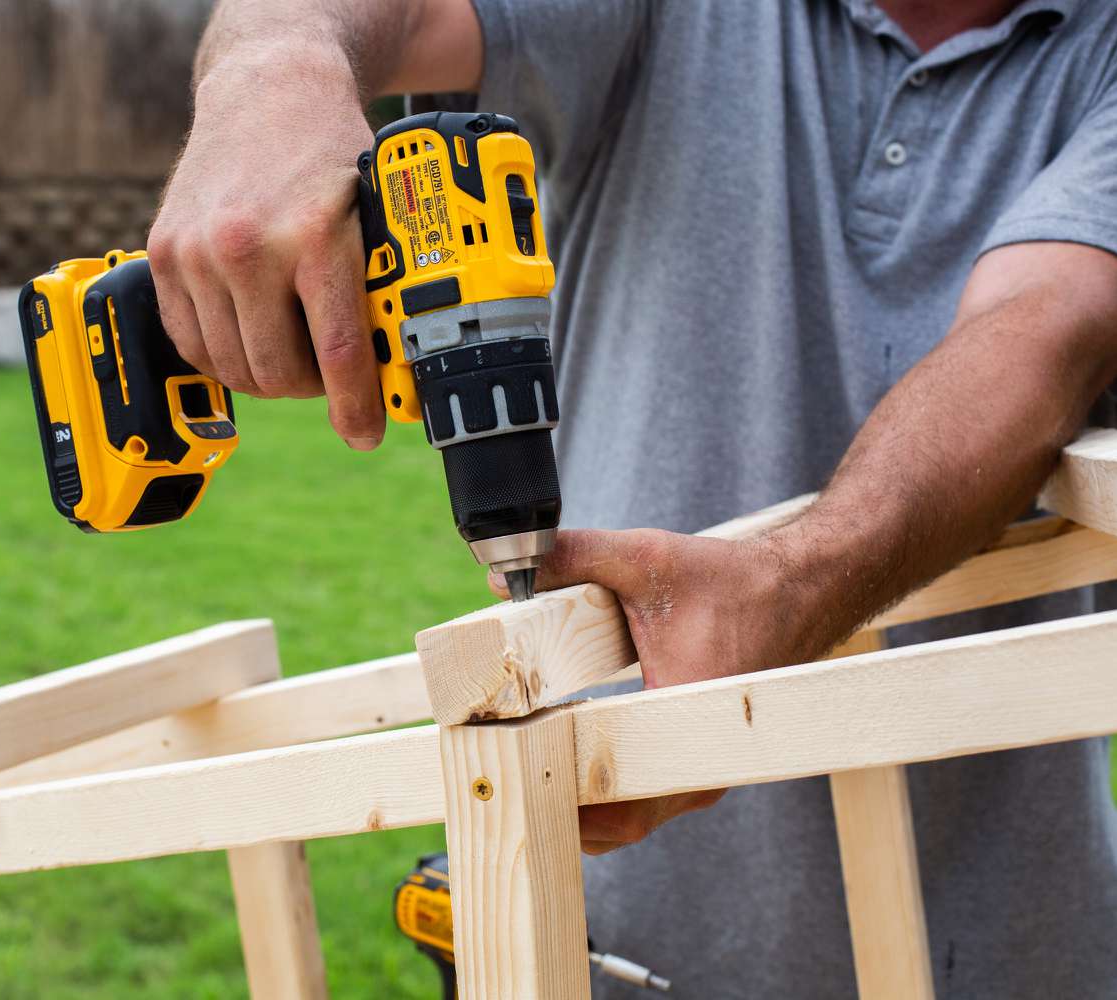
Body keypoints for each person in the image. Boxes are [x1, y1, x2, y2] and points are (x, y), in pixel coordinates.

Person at [148, 1, 1117, 994]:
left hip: (999, 945)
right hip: (602, 935)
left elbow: (1046, 329)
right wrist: (276, 67)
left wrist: (790, 583)